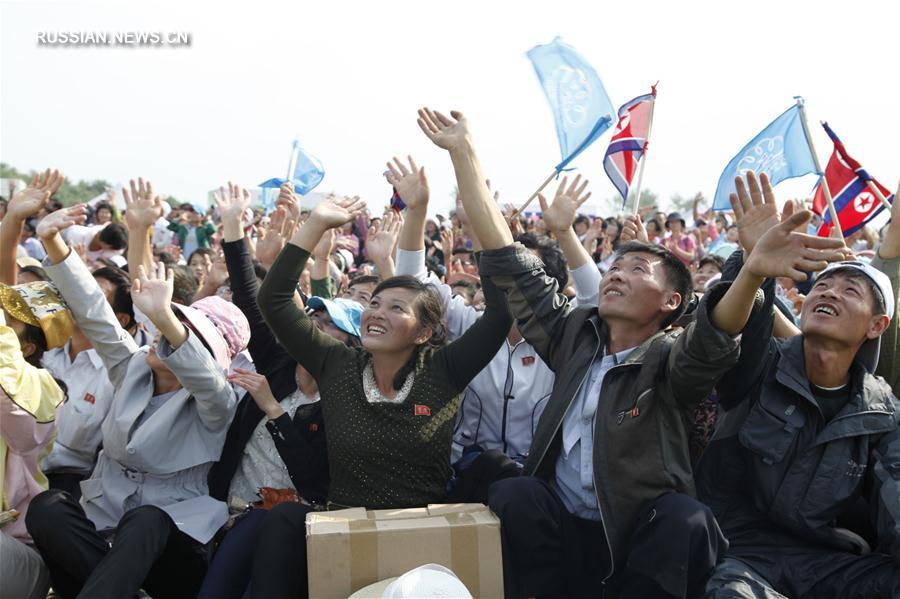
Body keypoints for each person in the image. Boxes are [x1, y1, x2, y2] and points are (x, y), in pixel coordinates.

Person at [415, 107, 848, 599]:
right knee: (515, 491)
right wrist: (464, 154)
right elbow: (507, 257)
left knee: (687, 519)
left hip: (633, 540)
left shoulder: (670, 358)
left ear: (671, 302)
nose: (617, 273)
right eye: (616, 265)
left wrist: (750, 270)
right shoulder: (573, 334)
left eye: (638, 268)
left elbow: (712, 340)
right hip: (563, 533)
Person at [250, 186, 512, 598]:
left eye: (396, 308)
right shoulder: (335, 362)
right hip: (344, 531)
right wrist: (314, 223)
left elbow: (500, 314)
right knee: (283, 523)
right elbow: (275, 299)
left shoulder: (443, 369)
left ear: (424, 332)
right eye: (375, 303)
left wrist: (484, 227)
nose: (376, 313)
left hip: (420, 537)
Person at [26, 200, 249, 599]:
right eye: (165, 324)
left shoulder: (219, 401)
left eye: (179, 329)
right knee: (49, 506)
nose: (162, 335)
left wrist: (165, 316)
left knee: (147, 520)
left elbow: (203, 377)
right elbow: (95, 312)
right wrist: (51, 239)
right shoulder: (131, 367)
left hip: (173, 543)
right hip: (102, 527)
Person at [698, 173, 899, 598]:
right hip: (742, 553)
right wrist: (751, 265)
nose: (830, 292)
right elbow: (722, 334)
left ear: (877, 325)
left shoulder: (883, 412)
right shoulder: (762, 363)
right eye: (822, 284)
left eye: (851, 290)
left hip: (827, 561)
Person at [199, 183, 336, 599]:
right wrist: (232, 225)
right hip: (226, 514)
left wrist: (274, 411)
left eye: (330, 327)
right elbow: (249, 292)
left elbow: (313, 481)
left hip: (295, 529)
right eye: (312, 320)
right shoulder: (277, 362)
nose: (315, 329)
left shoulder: (343, 402)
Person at [0, 279, 71, 599]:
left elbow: (10, 394)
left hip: (15, 546)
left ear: (27, 348)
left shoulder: (44, 388)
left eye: (7, 319)